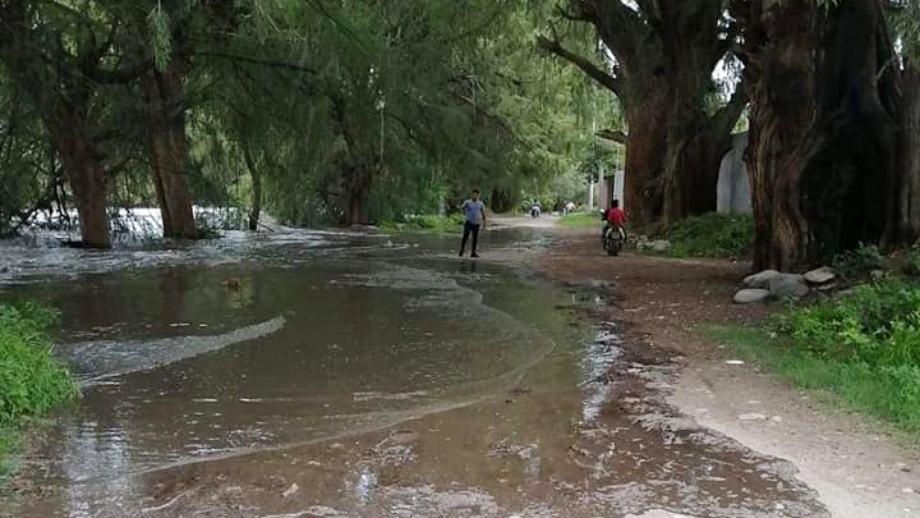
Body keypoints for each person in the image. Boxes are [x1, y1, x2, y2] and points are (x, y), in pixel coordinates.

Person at [459, 188, 486, 258]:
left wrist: (484, 223)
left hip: (477, 222)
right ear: (472, 195)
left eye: (477, 195)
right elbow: (462, 209)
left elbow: (483, 213)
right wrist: (464, 211)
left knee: (475, 238)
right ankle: (462, 250)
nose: (475, 196)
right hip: (469, 221)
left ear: (479, 195)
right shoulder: (467, 202)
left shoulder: (480, 203)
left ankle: (473, 252)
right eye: (474, 195)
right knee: (465, 236)